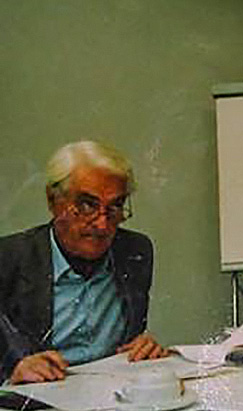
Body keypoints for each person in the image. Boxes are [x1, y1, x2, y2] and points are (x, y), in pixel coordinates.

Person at [0, 140, 170, 383]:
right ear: (52, 200)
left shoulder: (135, 251)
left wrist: (143, 347)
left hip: (112, 391)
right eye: (87, 205)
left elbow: (132, 341)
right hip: (40, 395)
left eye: (115, 206)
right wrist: (12, 369)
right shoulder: (10, 258)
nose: (102, 224)